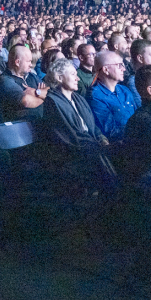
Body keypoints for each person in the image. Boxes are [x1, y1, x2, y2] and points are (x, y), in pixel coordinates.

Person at [39, 58, 117, 197]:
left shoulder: (78, 99)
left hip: (90, 145)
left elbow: (92, 126)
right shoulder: (52, 102)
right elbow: (66, 135)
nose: (78, 79)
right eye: (73, 75)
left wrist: (101, 138)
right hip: (72, 152)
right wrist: (96, 145)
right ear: (59, 77)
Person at [88, 50, 141, 142]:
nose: (123, 69)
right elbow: (111, 131)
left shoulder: (124, 90)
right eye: (119, 65)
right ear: (106, 70)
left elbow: (138, 115)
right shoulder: (95, 96)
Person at [0, 44, 46, 122]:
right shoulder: (5, 80)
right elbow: (26, 101)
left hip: (39, 124)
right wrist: (44, 98)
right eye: (28, 61)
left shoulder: (31, 76)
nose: (31, 64)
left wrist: (36, 92)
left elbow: (50, 91)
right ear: (17, 62)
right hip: (20, 128)